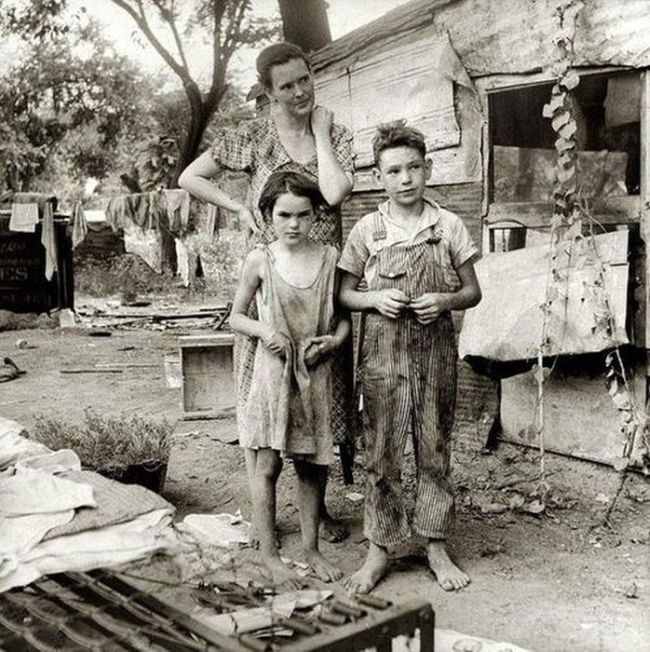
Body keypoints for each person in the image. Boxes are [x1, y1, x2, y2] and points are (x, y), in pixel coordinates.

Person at [178, 41, 354, 543]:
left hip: (322, 283)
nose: (300, 91)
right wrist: (237, 208)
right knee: (269, 394)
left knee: (320, 393)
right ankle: (265, 515)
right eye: (287, 86)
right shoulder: (253, 136)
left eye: (305, 79)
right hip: (271, 283)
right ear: (268, 92)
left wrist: (317, 130)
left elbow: (336, 193)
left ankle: (315, 513)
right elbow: (189, 176)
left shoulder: (335, 133)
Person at [337, 121, 482, 594]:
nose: (406, 179)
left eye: (414, 168)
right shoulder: (368, 229)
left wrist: (443, 301)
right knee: (380, 453)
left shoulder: (449, 226)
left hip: (436, 354)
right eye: (394, 170)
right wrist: (374, 299)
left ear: (428, 169)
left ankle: (435, 543)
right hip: (381, 357)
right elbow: (344, 294)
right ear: (380, 176)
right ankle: (379, 549)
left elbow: (472, 291)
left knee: (434, 447)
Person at [229, 170, 350, 586]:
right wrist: (266, 331)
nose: (293, 224)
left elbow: (344, 322)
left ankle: (311, 549)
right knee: (268, 463)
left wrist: (332, 343)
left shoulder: (331, 258)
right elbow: (236, 316)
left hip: (314, 374)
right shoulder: (261, 259)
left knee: (313, 467)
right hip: (273, 375)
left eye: (302, 214)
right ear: (267, 215)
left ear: (316, 214)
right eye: (284, 215)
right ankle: (269, 554)